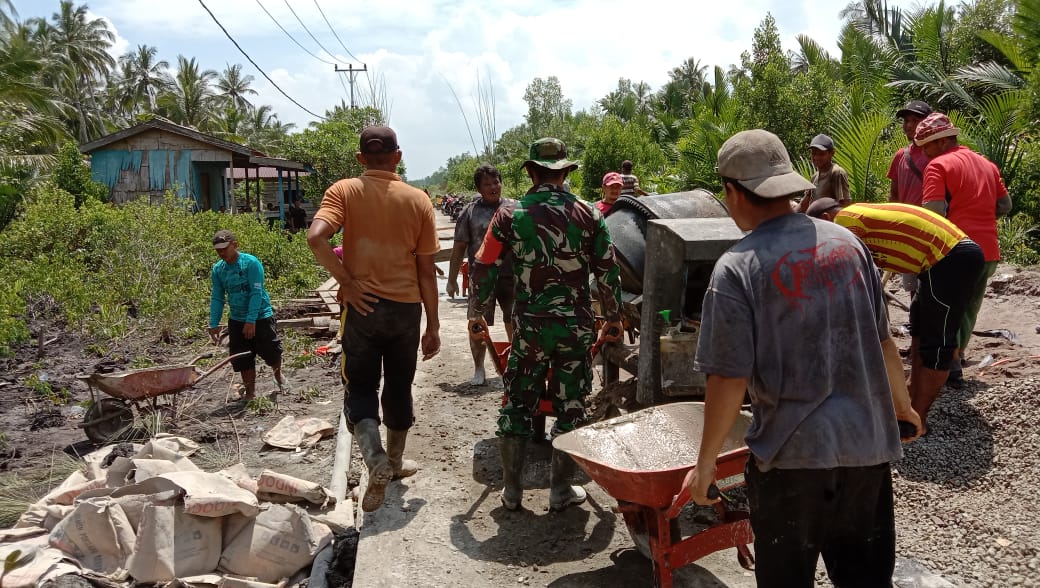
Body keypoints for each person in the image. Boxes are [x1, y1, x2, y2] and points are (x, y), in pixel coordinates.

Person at [682, 129, 921, 588]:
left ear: (732, 192)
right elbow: (884, 342)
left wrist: (706, 463)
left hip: (791, 465)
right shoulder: (849, 247)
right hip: (866, 453)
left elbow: (728, 380)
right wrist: (903, 408)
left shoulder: (737, 267)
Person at [469, 137, 623, 512]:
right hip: (574, 328)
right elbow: (607, 271)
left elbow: (485, 265)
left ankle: (512, 491)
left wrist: (478, 314)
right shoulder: (591, 215)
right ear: (566, 172)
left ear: (532, 172)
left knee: (518, 403)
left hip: (529, 328)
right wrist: (614, 318)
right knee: (572, 404)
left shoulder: (509, 215)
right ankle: (559, 491)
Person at [306, 125, 441, 513]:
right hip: (405, 311)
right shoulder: (419, 200)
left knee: (361, 386)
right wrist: (432, 325)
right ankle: (395, 464)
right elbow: (427, 271)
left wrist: (346, 282)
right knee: (399, 386)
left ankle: (375, 458)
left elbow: (317, 238)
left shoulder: (344, 191)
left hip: (362, 309)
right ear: (398, 157)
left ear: (360, 158)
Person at [808, 199, 985, 434]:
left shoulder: (845, 222)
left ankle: (917, 423)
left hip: (949, 258)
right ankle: (910, 402)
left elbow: (843, 272)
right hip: (939, 260)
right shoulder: (856, 218)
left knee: (937, 346)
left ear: (827, 218)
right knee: (920, 328)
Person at [915, 112, 1013, 383]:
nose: (924, 153)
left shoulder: (938, 167)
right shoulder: (987, 165)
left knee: (946, 307)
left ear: (942, 142)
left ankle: (951, 363)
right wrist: (981, 216)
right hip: (988, 251)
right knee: (969, 307)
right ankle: (957, 354)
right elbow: (1005, 206)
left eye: (927, 146)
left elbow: (933, 213)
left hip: (955, 250)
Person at [446, 164, 517, 385]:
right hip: (481, 277)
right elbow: (459, 248)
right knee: (476, 323)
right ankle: (479, 369)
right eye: (487, 184)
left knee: (514, 320)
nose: (493, 187)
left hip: (511, 276)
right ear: (478, 187)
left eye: (496, 182)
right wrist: (451, 279)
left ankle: (515, 365)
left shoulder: (515, 208)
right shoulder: (469, 212)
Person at [208, 229, 290, 402]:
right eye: (218, 250)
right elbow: (217, 297)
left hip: (260, 315)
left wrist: (251, 320)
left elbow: (256, 292)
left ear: (235, 245)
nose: (222, 253)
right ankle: (251, 393)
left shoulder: (251, 263)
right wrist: (214, 323)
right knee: (243, 357)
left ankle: (278, 376)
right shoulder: (218, 270)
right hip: (237, 318)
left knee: (271, 352)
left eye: (225, 248)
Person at [887, 100, 934, 297]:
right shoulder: (901, 155)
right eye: (906, 120)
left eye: (915, 120)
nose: (908, 125)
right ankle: (917, 324)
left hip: (932, 229)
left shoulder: (935, 154)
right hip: (908, 230)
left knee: (932, 283)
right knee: (912, 287)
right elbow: (894, 194)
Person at [796, 133, 851, 213]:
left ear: (832, 153)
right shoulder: (814, 177)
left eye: (821, 154)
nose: (816, 157)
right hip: (816, 223)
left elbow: (844, 206)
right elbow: (803, 204)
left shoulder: (837, 173)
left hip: (829, 223)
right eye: (813, 153)